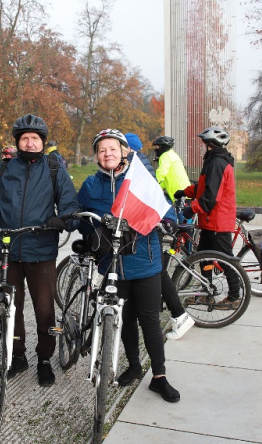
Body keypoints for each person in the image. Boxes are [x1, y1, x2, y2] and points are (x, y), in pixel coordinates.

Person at [0, 114, 79, 387]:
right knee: (11, 308)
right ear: (18, 142)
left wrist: (64, 217)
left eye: (35, 138)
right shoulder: (3, 169)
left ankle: (44, 359)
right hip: (6, 248)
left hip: (41, 249)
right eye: (25, 138)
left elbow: (69, 202)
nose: (30, 143)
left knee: (45, 310)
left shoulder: (55, 168)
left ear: (42, 142)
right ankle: (17, 356)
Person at [77, 128, 180, 402]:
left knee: (150, 321)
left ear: (124, 151)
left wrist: (169, 219)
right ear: (97, 156)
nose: (107, 153)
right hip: (112, 264)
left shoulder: (139, 178)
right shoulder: (90, 184)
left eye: (112, 148)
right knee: (124, 320)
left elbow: (164, 206)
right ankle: (134, 365)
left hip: (144, 262)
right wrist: (89, 233)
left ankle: (159, 376)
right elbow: (80, 217)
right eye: (101, 150)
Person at [124, 132, 192, 339]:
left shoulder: (137, 166)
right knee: (156, 270)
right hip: (162, 213)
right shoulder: (139, 162)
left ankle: (179, 315)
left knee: (157, 271)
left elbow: (157, 181)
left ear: (128, 149)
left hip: (153, 221)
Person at [174, 127, 241, 308]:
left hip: (218, 221)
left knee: (225, 260)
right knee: (204, 258)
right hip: (210, 221)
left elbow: (211, 196)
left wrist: (192, 209)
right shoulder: (213, 161)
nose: (204, 147)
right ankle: (206, 293)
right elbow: (203, 186)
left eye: (205, 144)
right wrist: (185, 192)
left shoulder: (217, 163)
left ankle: (234, 297)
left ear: (210, 145)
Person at [152, 136, 191, 203]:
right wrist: (159, 186)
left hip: (179, 194)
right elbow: (165, 179)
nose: (156, 149)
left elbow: (161, 173)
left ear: (163, 147)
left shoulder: (165, 156)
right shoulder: (172, 154)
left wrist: (152, 186)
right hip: (184, 193)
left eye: (157, 147)